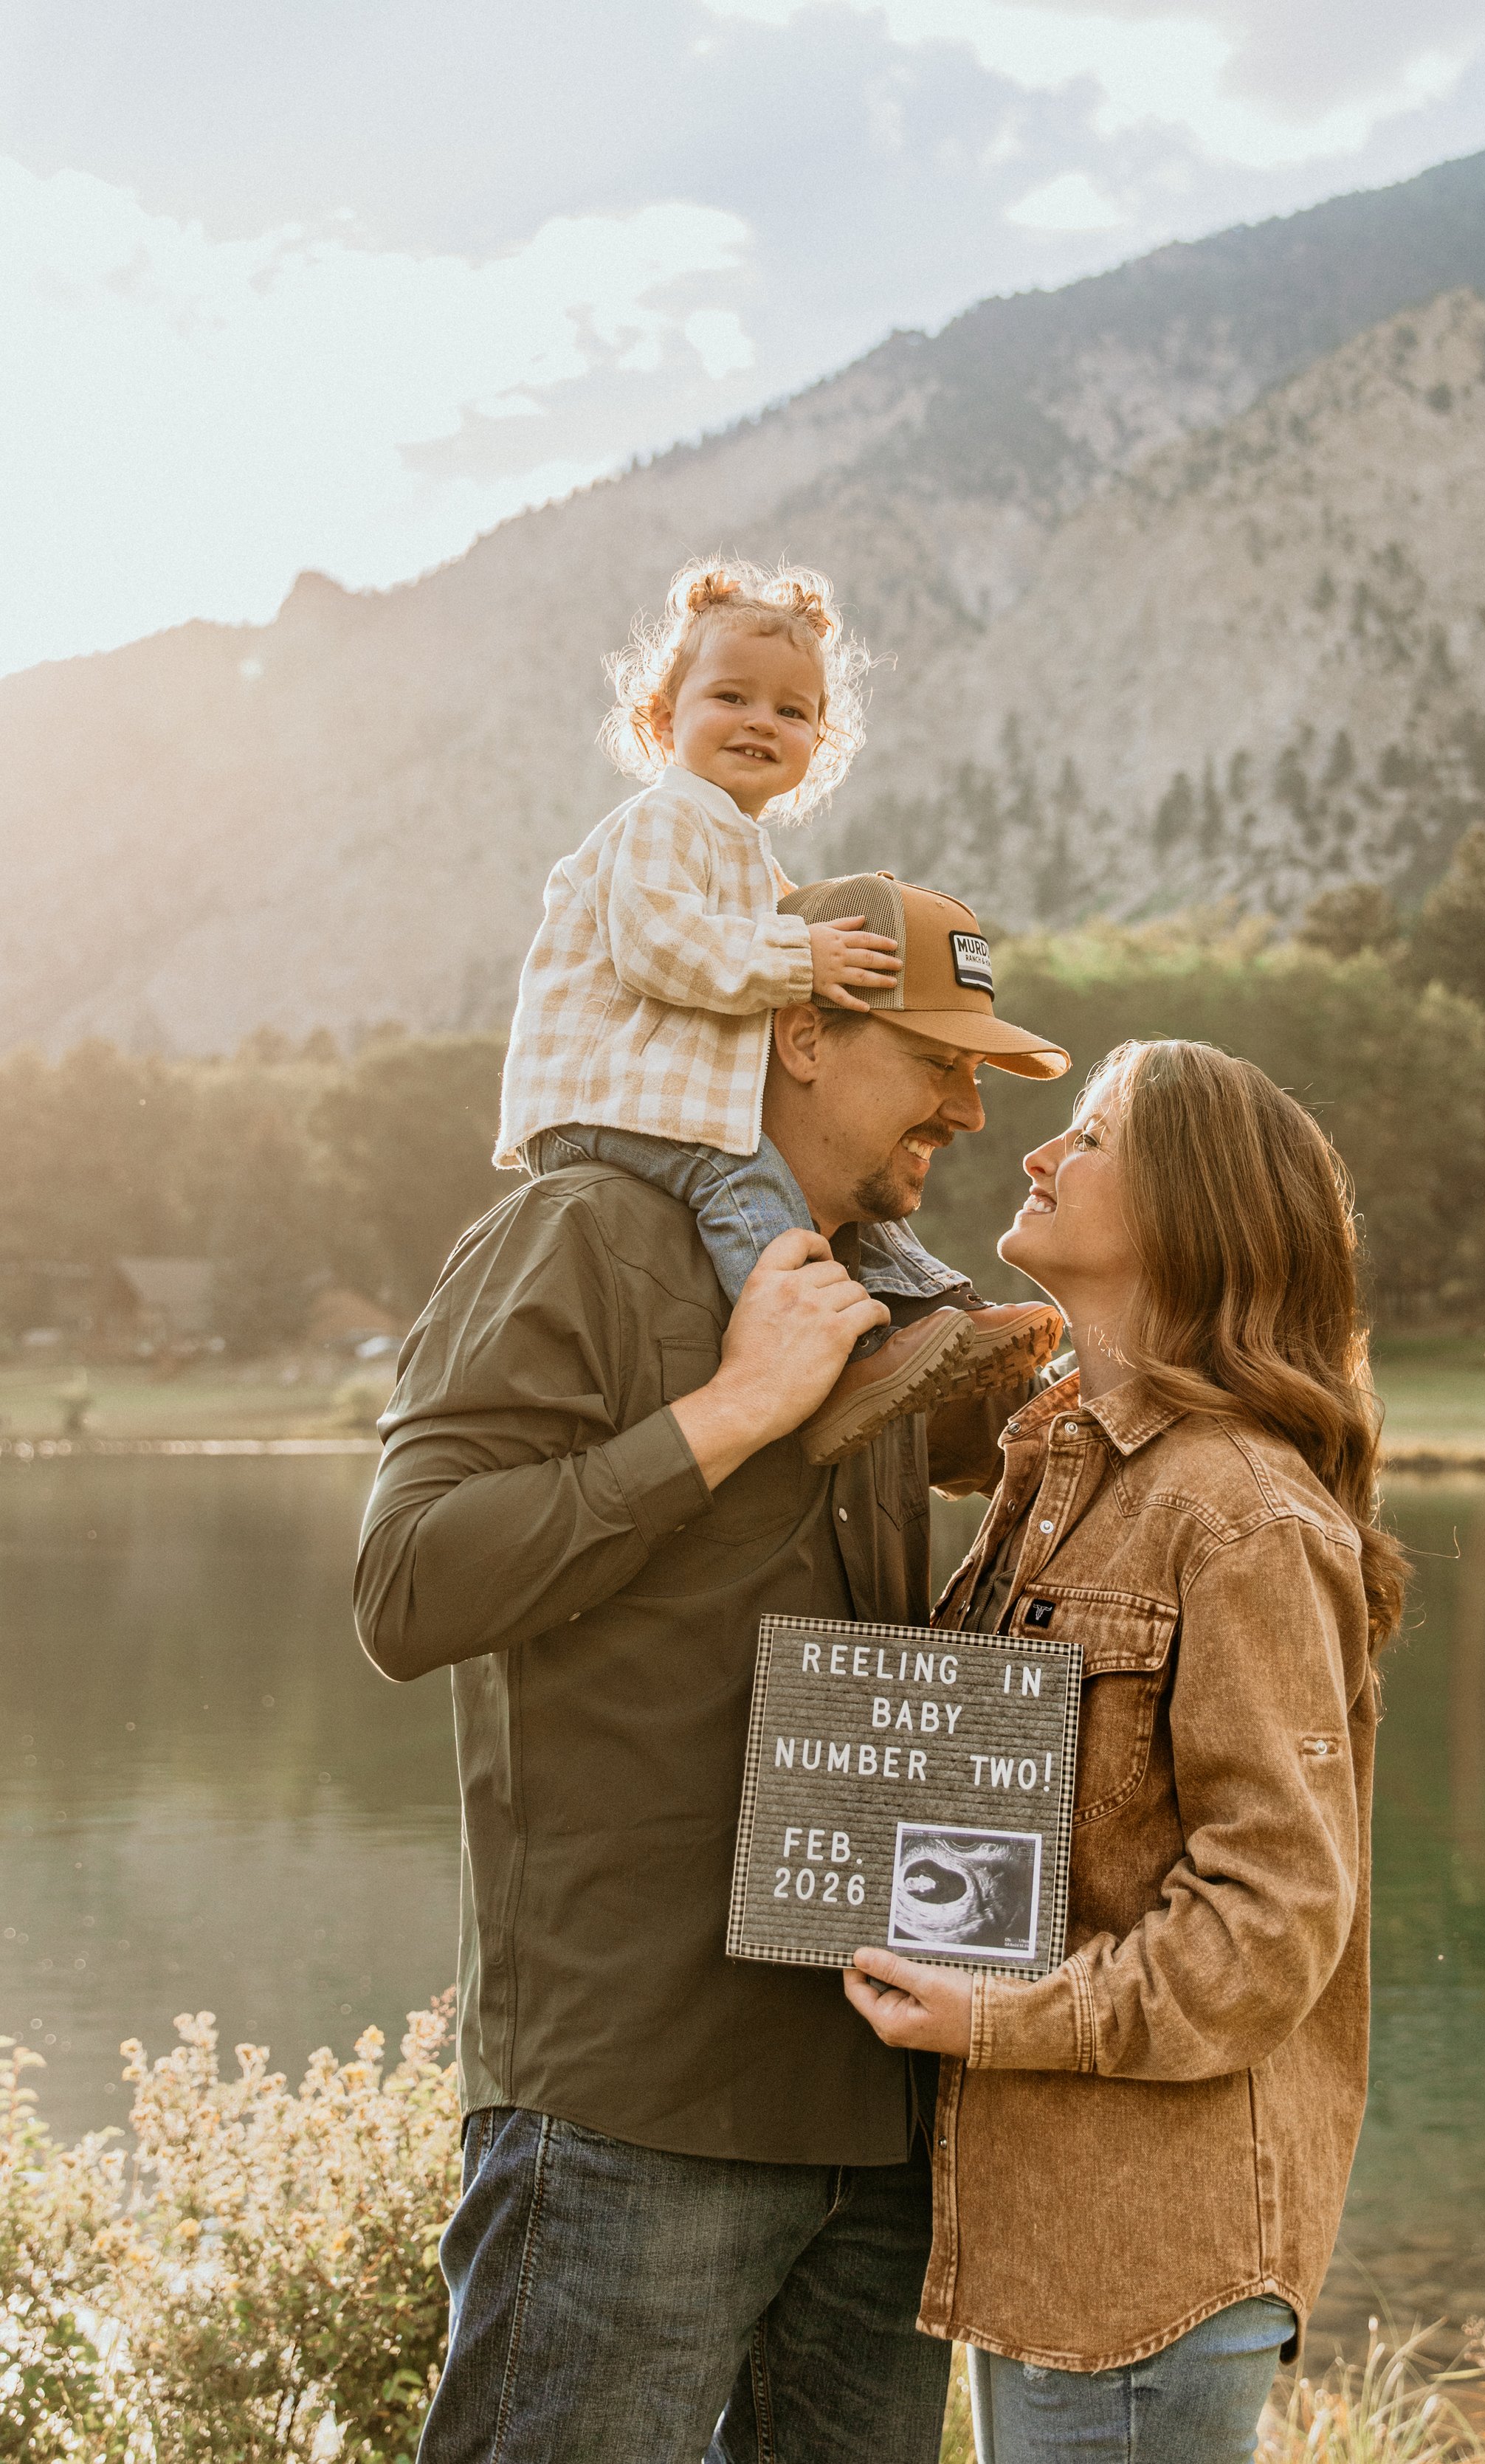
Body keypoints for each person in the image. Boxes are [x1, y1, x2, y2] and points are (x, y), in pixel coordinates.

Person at [354, 882, 1069, 2464]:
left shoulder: (892, 1288)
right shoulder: (576, 1231)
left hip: (880, 2107)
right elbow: (403, 1588)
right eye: (933, 1059)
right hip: (631, 2118)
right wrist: (736, 1409)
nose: (965, 1102)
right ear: (797, 1032)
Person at [844, 1038, 1408, 2464]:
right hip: (1048, 2235)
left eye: (1088, 1136)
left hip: (1147, 2268)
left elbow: (1269, 1924)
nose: (1038, 1153)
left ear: (1189, 1211)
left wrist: (994, 2015)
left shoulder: (1239, 1514)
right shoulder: (1059, 1460)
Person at [495, 556, 1062, 1461]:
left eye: (792, 711)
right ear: (660, 717)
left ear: (818, 744)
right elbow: (660, 945)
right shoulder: (662, 822)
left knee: (820, 1196)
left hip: (661, 1104)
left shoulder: (745, 853)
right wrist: (805, 955)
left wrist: (826, 935)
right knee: (748, 1183)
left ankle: (945, 1324)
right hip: (602, 1099)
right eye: (731, 696)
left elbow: (770, 930)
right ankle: (840, 1364)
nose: (761, 720)